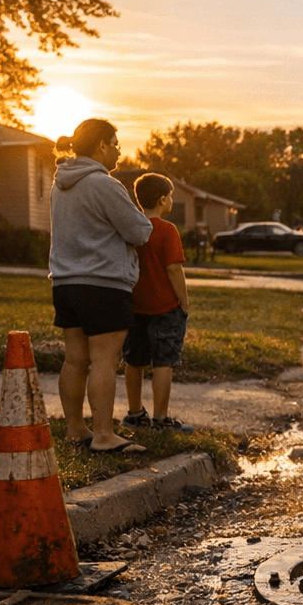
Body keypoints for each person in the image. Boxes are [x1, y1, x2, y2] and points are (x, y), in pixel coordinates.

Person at [49, 118, 152, 454]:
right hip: (104, 284)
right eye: (116, 143)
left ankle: (76, 431)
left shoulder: (59, 184)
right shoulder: (103, 184)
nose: (120, 150)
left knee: (75, 359)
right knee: (104, 361)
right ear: (101, 146)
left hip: (65, 283)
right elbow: (139, 231)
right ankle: (105, 436)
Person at [122, 173, 194, 432]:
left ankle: (134, 413)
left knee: (134, 360)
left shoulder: (132, 230)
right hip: (164, 307)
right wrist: (183, 301)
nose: (172, 200)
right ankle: (161, 419)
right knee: (164, 362)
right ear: (163, 200)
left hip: (135, 306)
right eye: (172, 196)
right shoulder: (166, 230)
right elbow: (173, 269)